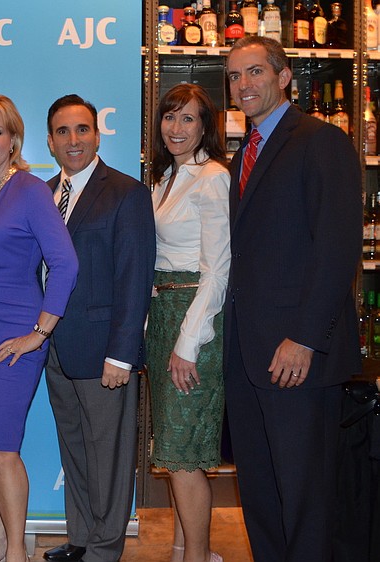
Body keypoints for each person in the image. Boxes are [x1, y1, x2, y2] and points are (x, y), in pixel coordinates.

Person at [225, 35, 362, 562]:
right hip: (248, 354)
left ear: (284, 77)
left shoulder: (321, 141)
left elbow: (336, 249)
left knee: (306, 499)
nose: (243, 85)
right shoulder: (245, 153)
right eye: (235, 76)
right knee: (260, 494)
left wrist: (304, 339)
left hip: (295, 356)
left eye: (255, 72)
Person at [0, 93, 78, 562]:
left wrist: (40, 333)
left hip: (14, 336)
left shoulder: (29, 190)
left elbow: (65, 264)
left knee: (3, 448)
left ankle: (16, 554)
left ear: (14, 140)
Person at [41, 94, 155, 562]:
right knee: (76, 450)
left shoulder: (125, 192)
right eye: (63, 132)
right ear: (50, 141)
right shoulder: (44, 193)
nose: (73, 140)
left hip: (104, 348)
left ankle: (106, 548)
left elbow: (135, 277)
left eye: (82, 129)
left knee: (108, 455)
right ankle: (83, 537)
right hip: (52, 349)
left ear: (97, 134)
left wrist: (122, 353)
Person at [147, 84, 230, 562]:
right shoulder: (165, 177)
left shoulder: (212, 176)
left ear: (205, 127)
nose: (176, 129)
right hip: (162, 317)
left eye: (188, 119)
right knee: (174, 448)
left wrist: (188, 342)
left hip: (192, 321)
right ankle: (181, 548)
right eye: (169, 117)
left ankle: (197, 556)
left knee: (182, 452)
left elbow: (217, 270)